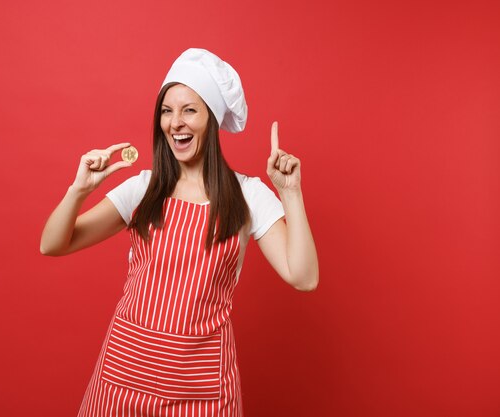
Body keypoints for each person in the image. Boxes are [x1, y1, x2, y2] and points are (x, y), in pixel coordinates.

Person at [40, 48, 319, 417]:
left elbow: (303, 277)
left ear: (212, 119)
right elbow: (53, 244)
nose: (175, 123)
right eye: (167, 111)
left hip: (200, 391)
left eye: (189, 110)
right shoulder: (144, 187)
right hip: (124, 378)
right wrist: (79, 189)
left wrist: (290, 192)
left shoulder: (247, 194)